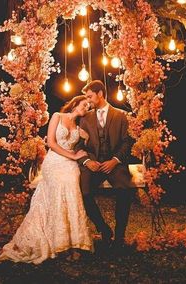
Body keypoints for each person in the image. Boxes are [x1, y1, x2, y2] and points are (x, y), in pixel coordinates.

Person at [0, 95, 93, 265]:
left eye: (89, 106)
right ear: (76, 103)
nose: (87, 107)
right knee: (59, 187)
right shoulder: (57, 116)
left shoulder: (80, 129)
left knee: (72, 184)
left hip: (70, 165)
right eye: (85, 104)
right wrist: (73, 155)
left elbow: (88, 147)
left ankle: (74, 243)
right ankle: (57, 242)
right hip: (54, 161)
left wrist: (85, 141)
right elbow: (52, 144)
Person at [75, 80, 134, 252]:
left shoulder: (120, 115)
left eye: (90, 96)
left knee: (124, 190)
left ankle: (119, 235)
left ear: (100, 94)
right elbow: (78, 145)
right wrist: (87, 161)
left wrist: (115, 160)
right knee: (83, 192)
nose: (88, 100)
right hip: (93, 163)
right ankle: (104, 229)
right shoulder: (85, 118)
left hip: (114, 164)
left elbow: (126, 143)